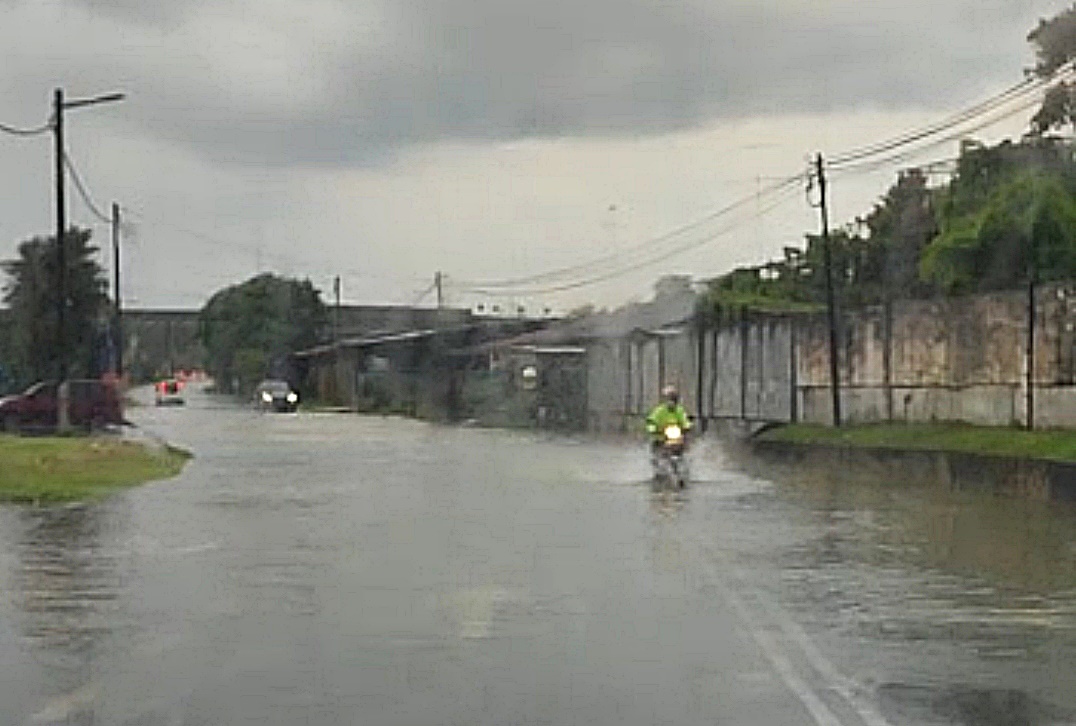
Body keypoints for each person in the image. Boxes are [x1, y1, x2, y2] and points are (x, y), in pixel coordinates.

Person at [645, 384, 692, 453]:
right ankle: (656, 458)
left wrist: (687, 426)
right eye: (669, 399)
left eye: (673, 399)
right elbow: (651, 420)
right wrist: (652, 428)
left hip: (676, 435)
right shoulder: (659, 410)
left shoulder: (679, 410)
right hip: (661, 436)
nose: (671, 401)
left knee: (685, 443)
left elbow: (684, 419)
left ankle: (685, 457)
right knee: (656, 444)